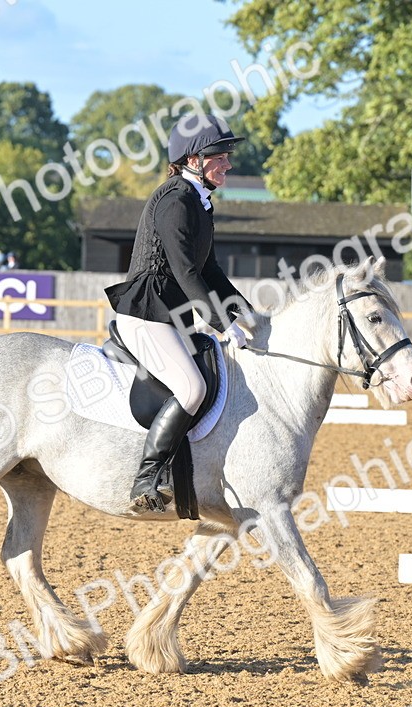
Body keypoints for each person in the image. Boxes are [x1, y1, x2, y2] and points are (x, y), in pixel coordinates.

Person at [104, 114, 252, 512]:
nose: (228, 163)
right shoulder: (175, 200)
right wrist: (223, 323)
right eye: (219, 156)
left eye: (226, 156)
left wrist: (247, 314)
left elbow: (211, 271)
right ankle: (147, 478)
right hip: (147, 314)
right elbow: (186, 272)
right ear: (192, 159)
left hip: (171, 317)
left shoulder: (199, 202)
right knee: (192, 389)